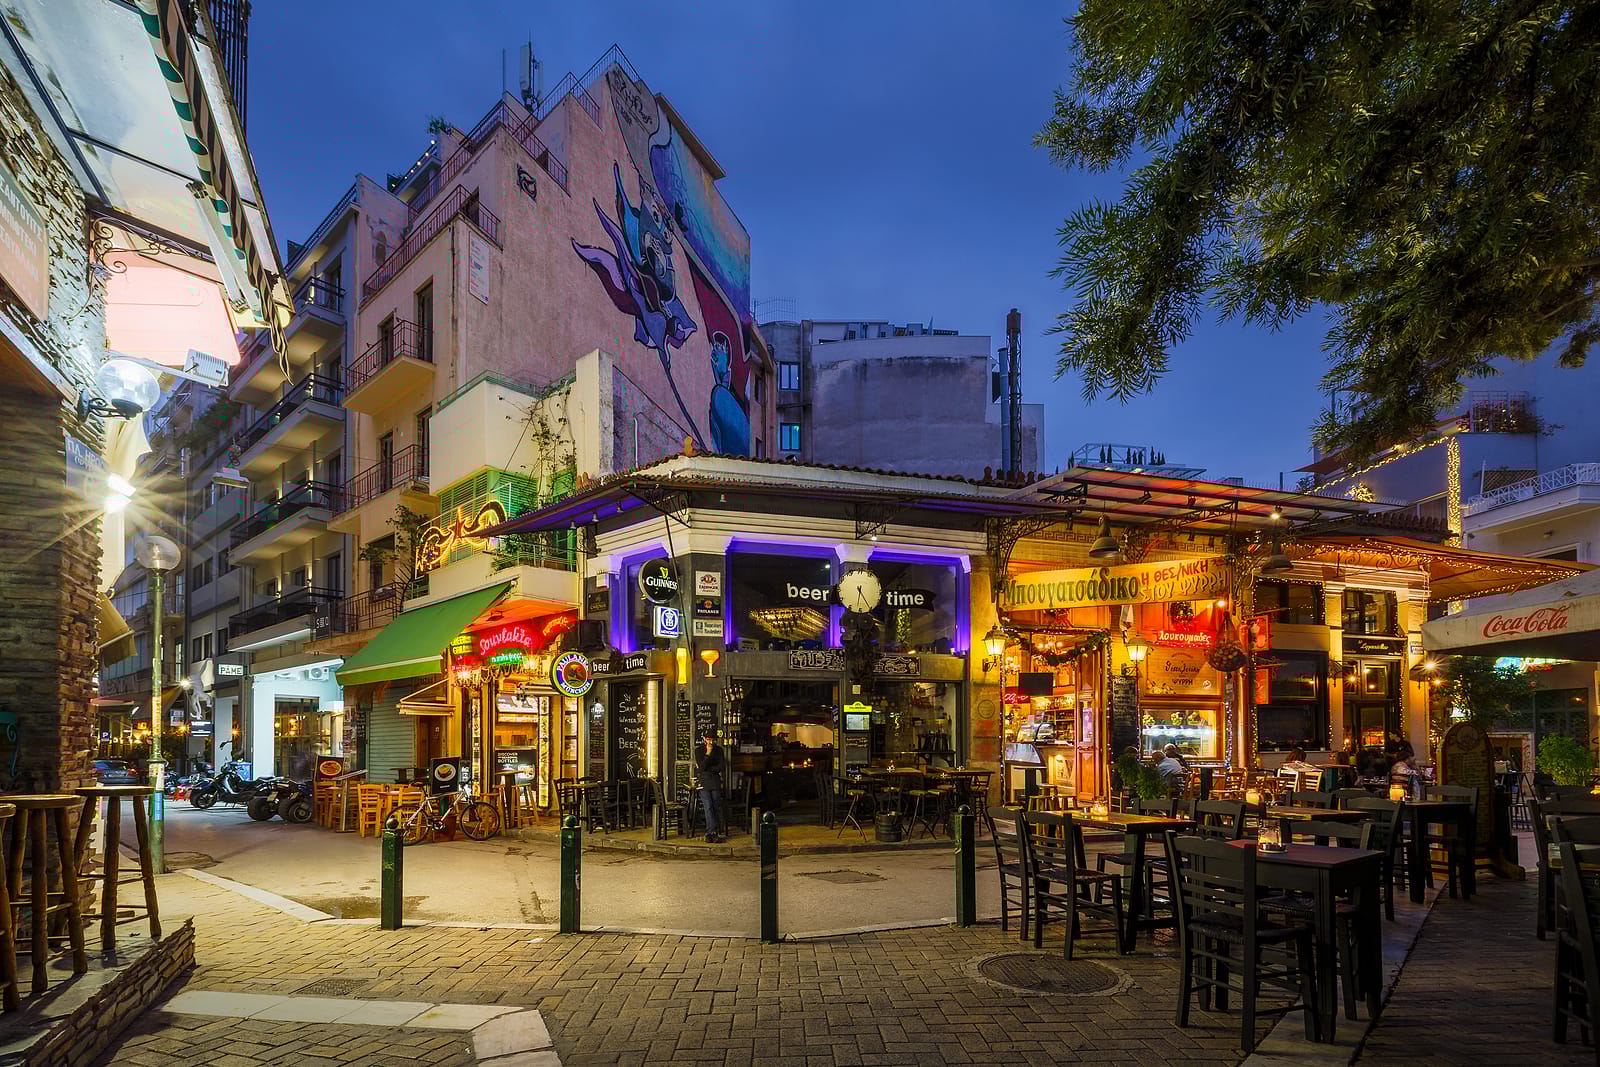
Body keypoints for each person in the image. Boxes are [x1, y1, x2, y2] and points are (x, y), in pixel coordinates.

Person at [693, 730, 726, 842]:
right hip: (704, 782)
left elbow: (721, 767)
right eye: (708, 739)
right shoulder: (698, 751)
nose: (710, 742)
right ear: (704, 739)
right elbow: (701, 768)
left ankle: (710, 833)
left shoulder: (719, 750)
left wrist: (709, 769)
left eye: (712, 740)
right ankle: (712, 833)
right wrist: (708, 753)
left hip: (715, 781)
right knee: (708, 806)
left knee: (715, 806)